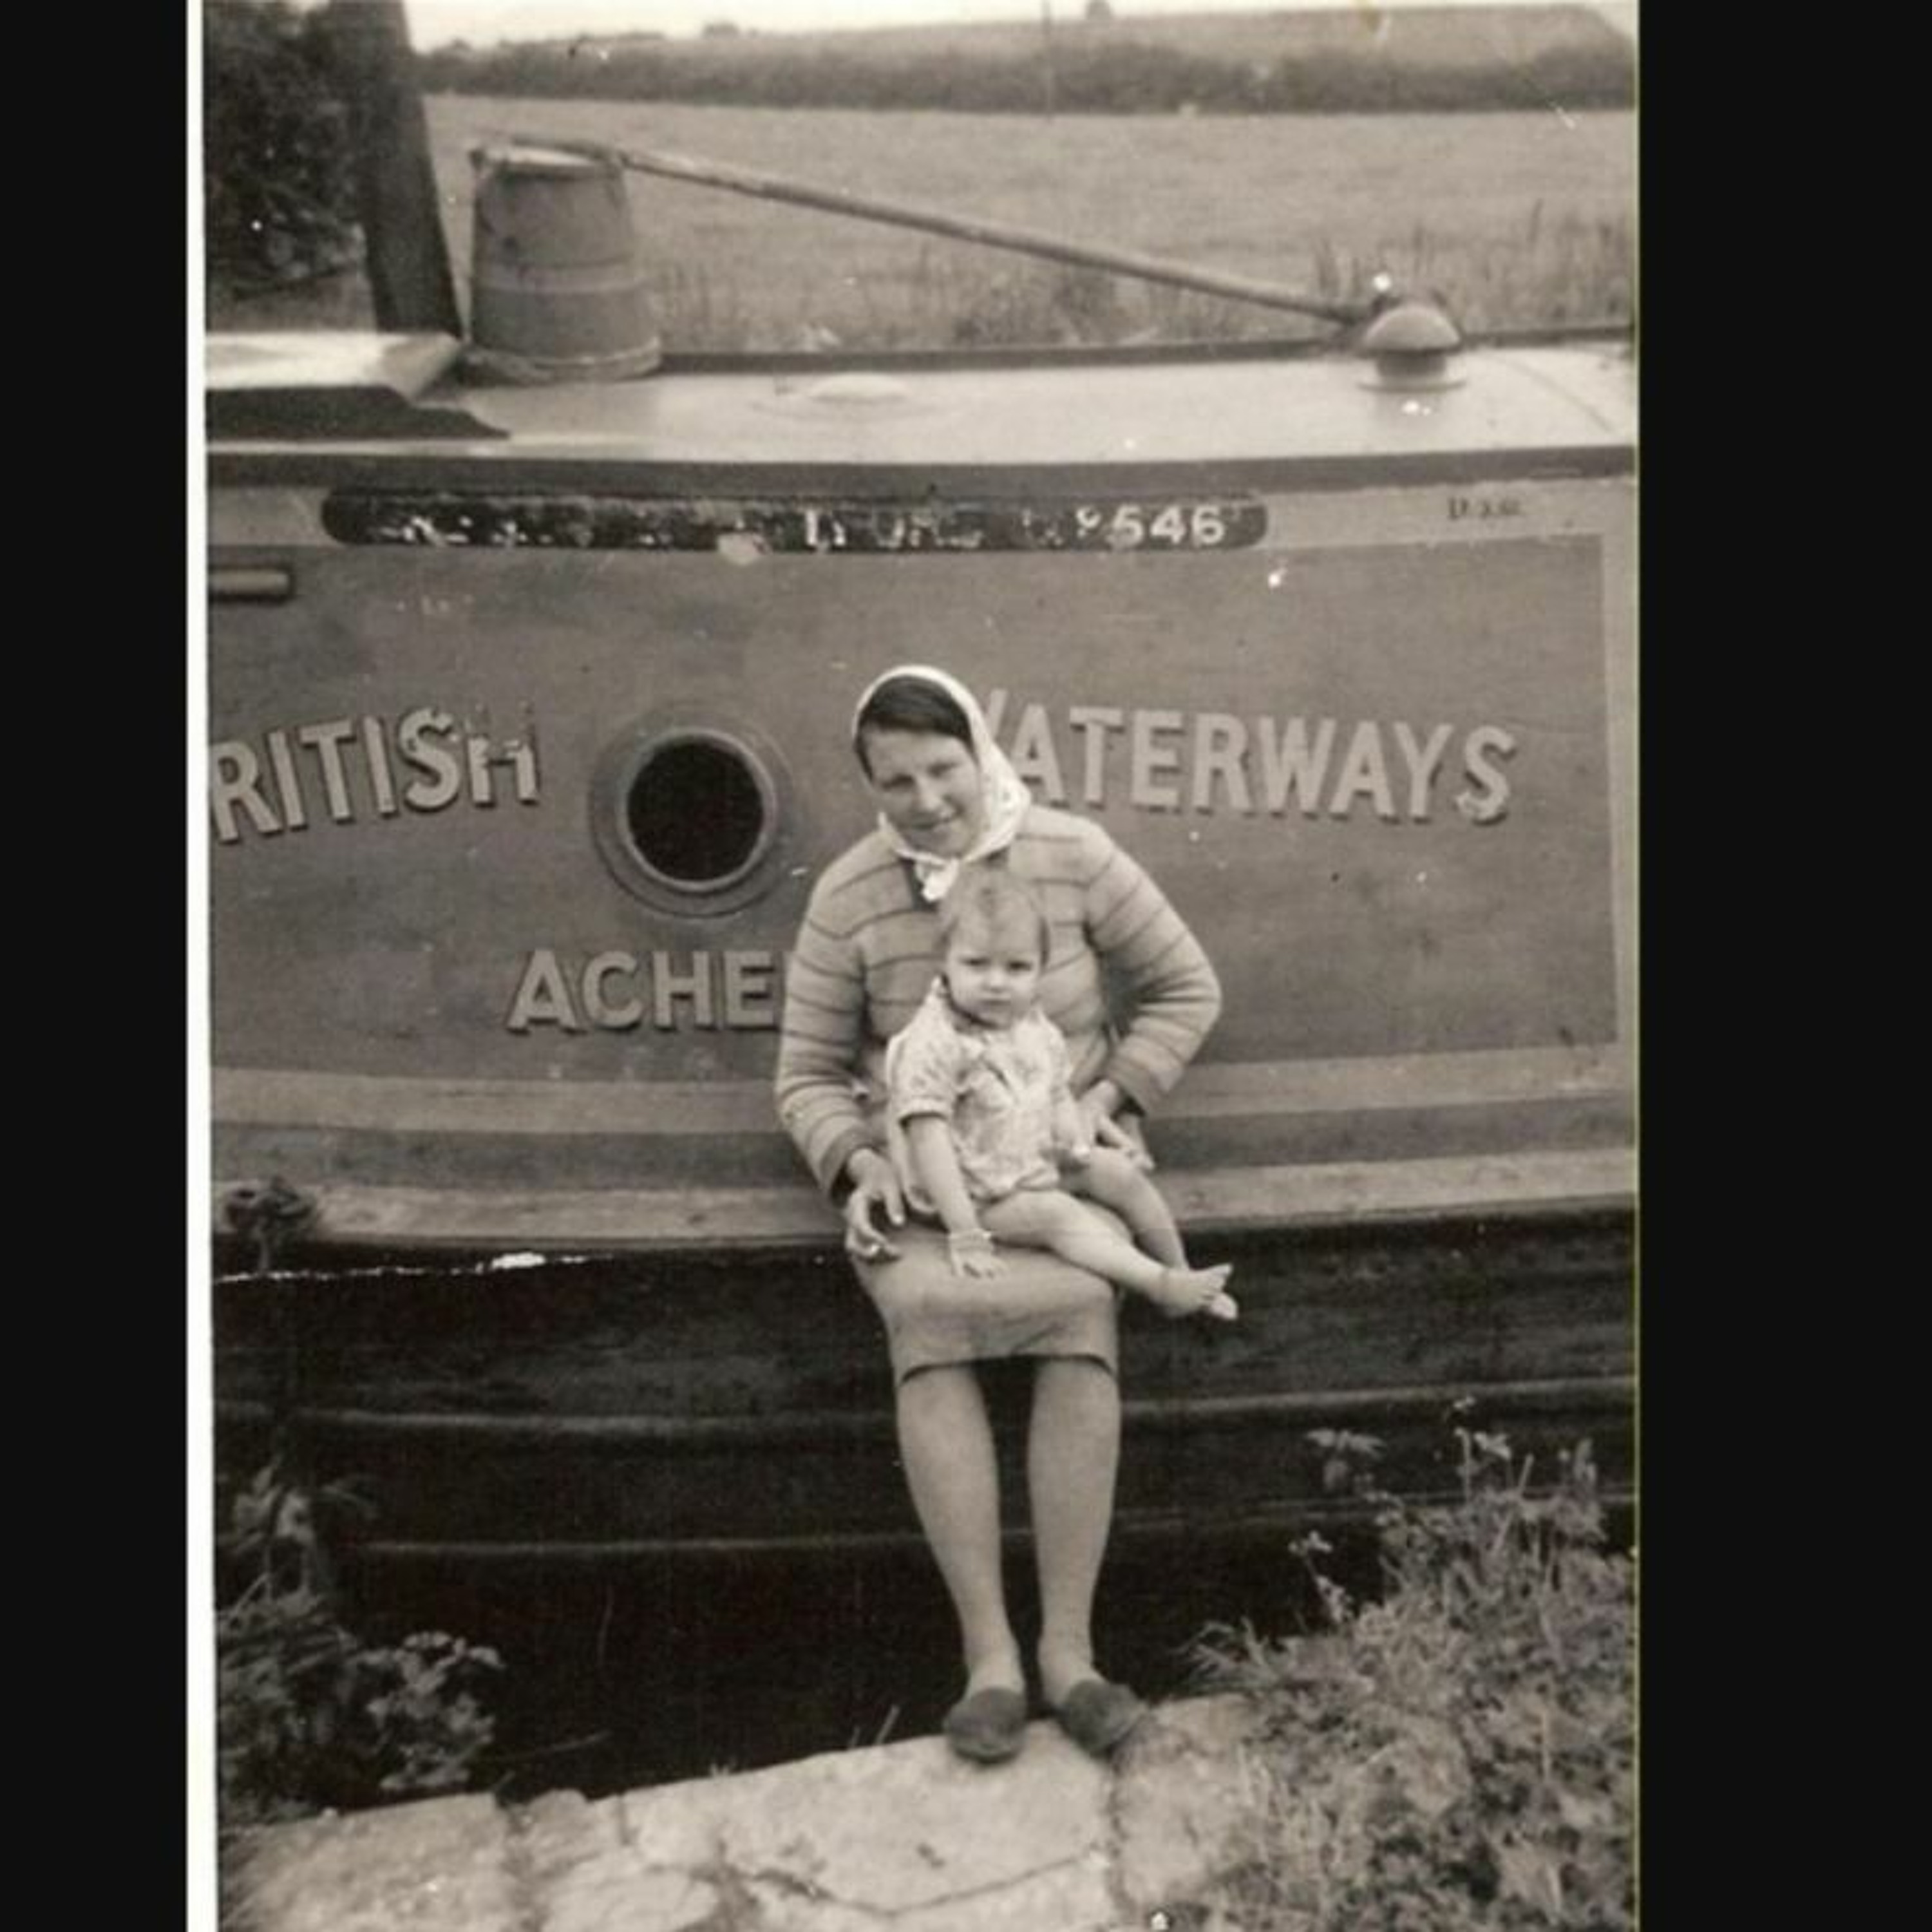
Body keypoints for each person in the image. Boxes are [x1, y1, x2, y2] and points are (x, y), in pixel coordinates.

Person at [775, 663, 1224, 1766]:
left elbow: (1188, 987)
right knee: (932, 1321)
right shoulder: (849, 895)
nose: (927, 800)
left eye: (944, 769)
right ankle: (990, 1663)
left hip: (1048, 1171)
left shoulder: (1073, 854)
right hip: (927, 1186)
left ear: (980, 750)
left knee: (1080, 1308)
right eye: (896, 783)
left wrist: (1106, 1104)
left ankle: (1071, 1656)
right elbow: (806, 1075)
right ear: (870, 785)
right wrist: (860, 1162)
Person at [885, 866, 1237, 1323]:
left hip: (1028, 1160)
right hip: (974, 1194)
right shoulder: (934, 1042)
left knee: (1119, 1174)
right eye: (976, 964)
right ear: (945, 962)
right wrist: (965, 1233)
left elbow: (1054, 1091)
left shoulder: (1030, 1021)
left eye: (1017, 967)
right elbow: (928, 1142)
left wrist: (1073, 1142)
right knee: (1055, 1214)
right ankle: (1159, 1285)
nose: (996, 982)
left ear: (1040, 968)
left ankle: (1181, 1270)